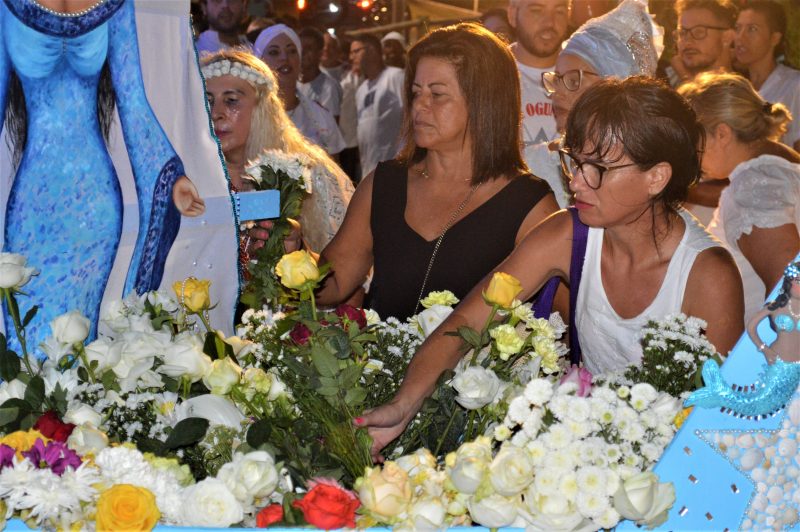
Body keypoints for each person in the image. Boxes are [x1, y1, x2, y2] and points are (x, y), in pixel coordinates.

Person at [358, 76, 745, 457]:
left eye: (597, 168)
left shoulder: (707, 274)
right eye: (574, 161)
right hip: (579, 449)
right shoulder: (567, 234)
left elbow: (716, 423)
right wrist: (402, 407)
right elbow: (465, 324)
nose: (576, 181)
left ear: (657, 177)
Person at [0, 0, 213, 350]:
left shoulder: (114, 5)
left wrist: (171, 176)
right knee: (25, 341)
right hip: (33, 207)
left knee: (81, 336)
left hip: (96, 208)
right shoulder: (8, 6)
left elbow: (134, 103)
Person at [314, 23, 558, 321]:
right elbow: (334, 283)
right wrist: (291, 256)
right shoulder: (385, 184)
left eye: (437, 94)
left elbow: (558, 322)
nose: (420, 106)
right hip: (378, 365)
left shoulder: (529, 205)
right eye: (416, 92)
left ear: (485, 101)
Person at [201, 51, 353, 252]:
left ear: (261, 109)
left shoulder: (310, 175)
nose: (216, 114)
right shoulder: (187, 181)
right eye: (208, 101)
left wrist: (298, 252)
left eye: (231, 101)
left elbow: (344, 269)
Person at [679, 72, 800, 323]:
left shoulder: (752, 187)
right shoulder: (780, 165)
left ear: (722, 134)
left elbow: (790, 294)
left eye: (693, 141)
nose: (690, 155)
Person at [525, 0, 662, 207]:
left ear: (617, 86)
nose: (556, 94)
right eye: (556, 80)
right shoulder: (531, 164)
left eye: (573, 80)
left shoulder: (645, 173)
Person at [254, 24, 345, 157]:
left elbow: (335, 173)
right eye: (274, 52)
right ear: (259, 61)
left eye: (292, 51)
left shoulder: (321, 117)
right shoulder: (247, 116)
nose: (284, 58)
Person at [734, 0, 800, 150]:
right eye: (738, 28)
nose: (740, 38)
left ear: (775, 38)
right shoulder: (737, 87)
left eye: (752, 29)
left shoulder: (794, 84)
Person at [507, 0, 571, 148]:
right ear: (512, 14)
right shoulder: (489, 75)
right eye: (536, 10)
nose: (549, 22)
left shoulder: (585, 76)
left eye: (559, 11)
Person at [350, 34, 405, 177]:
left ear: (372, 50)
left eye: (356, 51)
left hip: (396, 171)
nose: (351, 57)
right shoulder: (361, 90)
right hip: (368, 173)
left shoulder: (396, 77)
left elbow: (412, 116)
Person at [665, 0, 737, 87]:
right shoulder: (663, 82)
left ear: (727, 37)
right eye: (682, 33)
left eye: (699, 32)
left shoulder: (740, 93)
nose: (687, 41)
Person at [747, 262, 800, 363]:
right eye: (798, 281)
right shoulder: (776, 307)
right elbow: (751, 326)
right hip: (779, 361)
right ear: (789, 283)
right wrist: (764, 349)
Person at [298, 27, 343, 121]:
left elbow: (329, 130)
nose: (303, 53)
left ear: (320, 53)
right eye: (300, 48)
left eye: (309, 48)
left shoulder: (329, 88)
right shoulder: (291, 84)